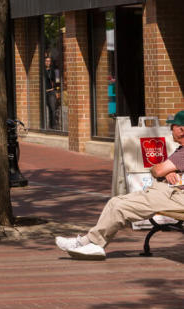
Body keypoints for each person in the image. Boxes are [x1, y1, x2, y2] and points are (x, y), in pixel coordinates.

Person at [57, 110, 184, 260]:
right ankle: (85, 242)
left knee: (119, 207)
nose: (171, 130)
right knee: (115, 202)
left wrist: (161, 170)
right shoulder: (180, 151)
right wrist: (167, 171)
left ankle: (94, 245)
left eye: (173, 126)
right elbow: (163, 170)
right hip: (168, 194)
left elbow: (159, 169)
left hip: (174, 197)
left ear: (181, 129)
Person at [43, 56, 61, 130]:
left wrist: (56, 91)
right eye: (46, 61)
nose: (48, 62)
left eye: (49, 61)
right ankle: (45, 126)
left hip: (51, 92)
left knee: (52, 109)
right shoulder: (42, 70)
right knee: (45, 110)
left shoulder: (52, 71)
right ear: (44, 62)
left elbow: (56, 82)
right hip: (43, 92)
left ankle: (53, 125)